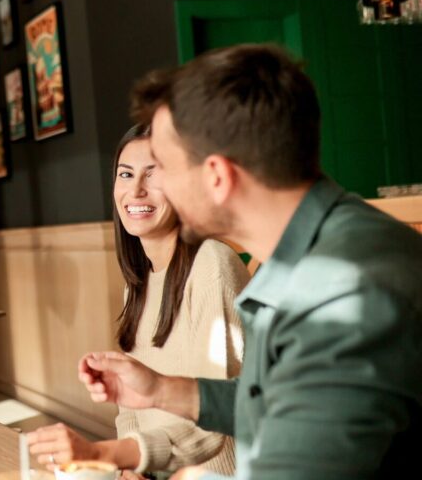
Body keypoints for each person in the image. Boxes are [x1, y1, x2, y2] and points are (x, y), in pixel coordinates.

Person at [79, 44, 422, 480]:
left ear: (217, 177)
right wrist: (161, 390)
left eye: (163, 166)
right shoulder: (309, 250)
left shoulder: (346, 290)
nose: (149, 185)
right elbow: (278, 399)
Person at [28, 122, 248, 478]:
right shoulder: (139, 280)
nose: (136, 190)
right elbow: (129, 407)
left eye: (154, 174)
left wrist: (117, 455)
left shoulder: (213, 265)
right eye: (126, 174)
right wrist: (133, 468)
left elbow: (216, 418)